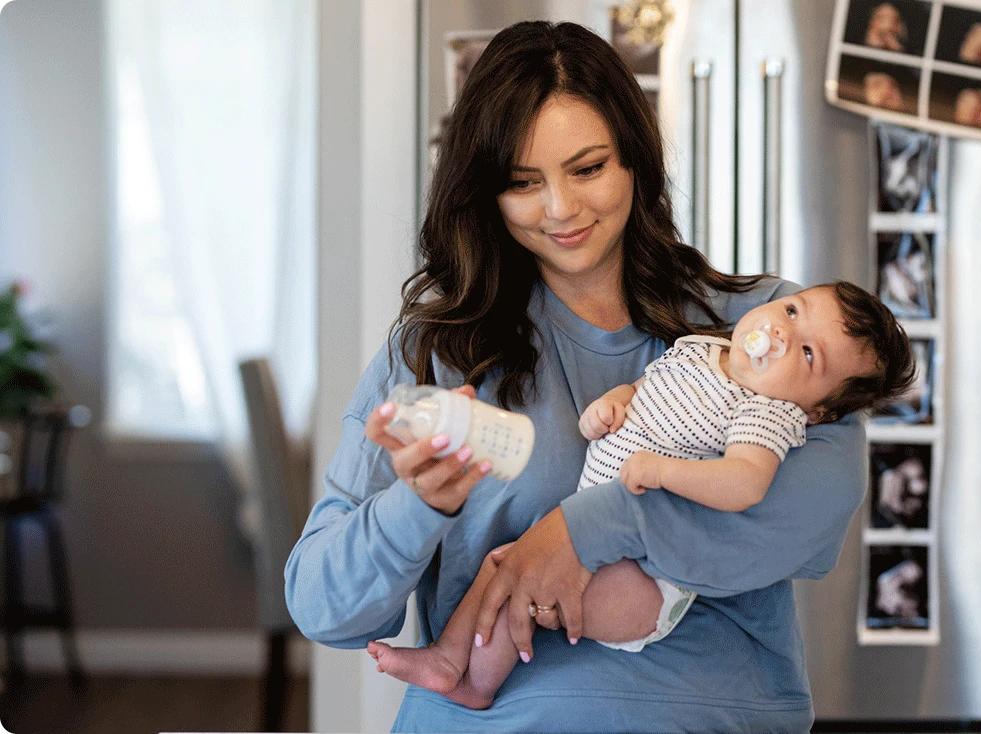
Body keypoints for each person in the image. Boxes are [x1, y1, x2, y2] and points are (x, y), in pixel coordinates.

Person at [285, 20, 883, 732]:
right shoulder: (438, 351)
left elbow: (812, 516)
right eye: (523, 182)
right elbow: (325, 608)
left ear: (635, 159)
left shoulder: (763, 331)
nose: (561, 209)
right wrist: (417, 508)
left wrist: (579, 529)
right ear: (486, 192)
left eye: (589, 168)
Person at [366, 282, 916, 708]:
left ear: (818, 410)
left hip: (647, 582)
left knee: (527, 587)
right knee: (505, 565)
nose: (780, 335)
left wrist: (665, 472)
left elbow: (744, 483)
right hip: (597, 533)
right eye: (792, 312)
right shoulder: (701, 349)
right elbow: (651, 390)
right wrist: (617, 400)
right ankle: (447, 659)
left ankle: (476, 684)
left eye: (808, 355)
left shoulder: (767, 412)